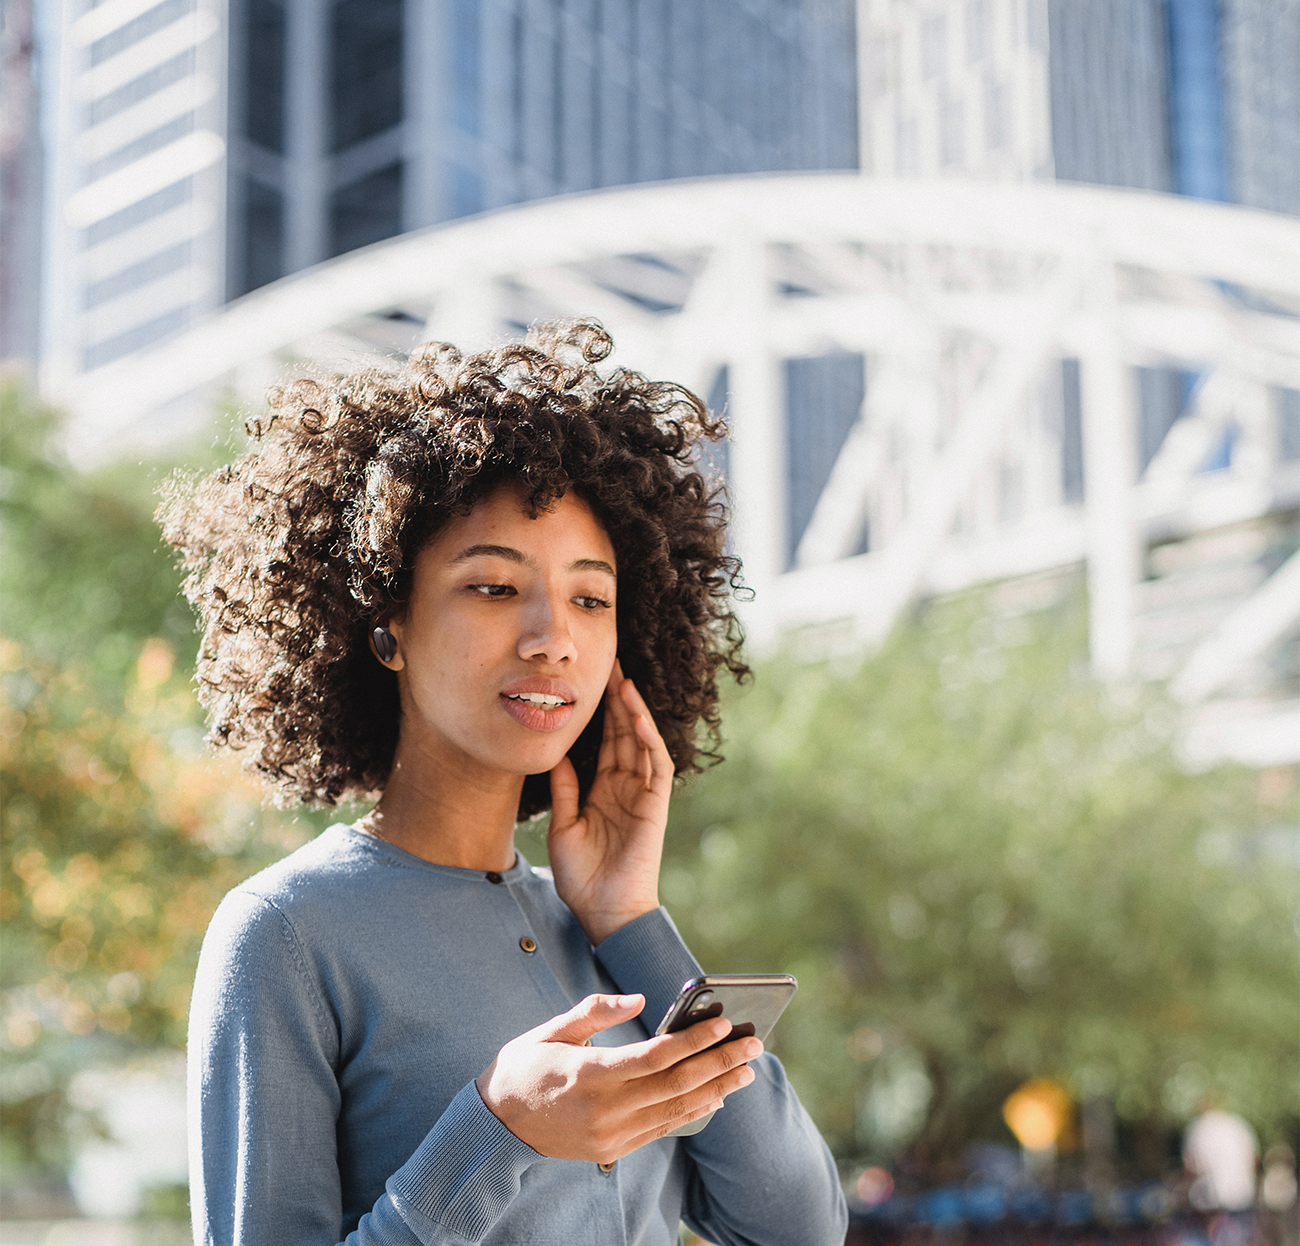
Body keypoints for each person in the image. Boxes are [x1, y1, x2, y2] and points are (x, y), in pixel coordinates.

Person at [161, 321, 847, 1246]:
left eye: (590, 598)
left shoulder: (604, 935)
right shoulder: (284, 934)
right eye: (492, 587)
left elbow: (797, 1228)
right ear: (388, 622)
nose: (552, 637)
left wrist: (631, 918)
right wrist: (496, 1130)